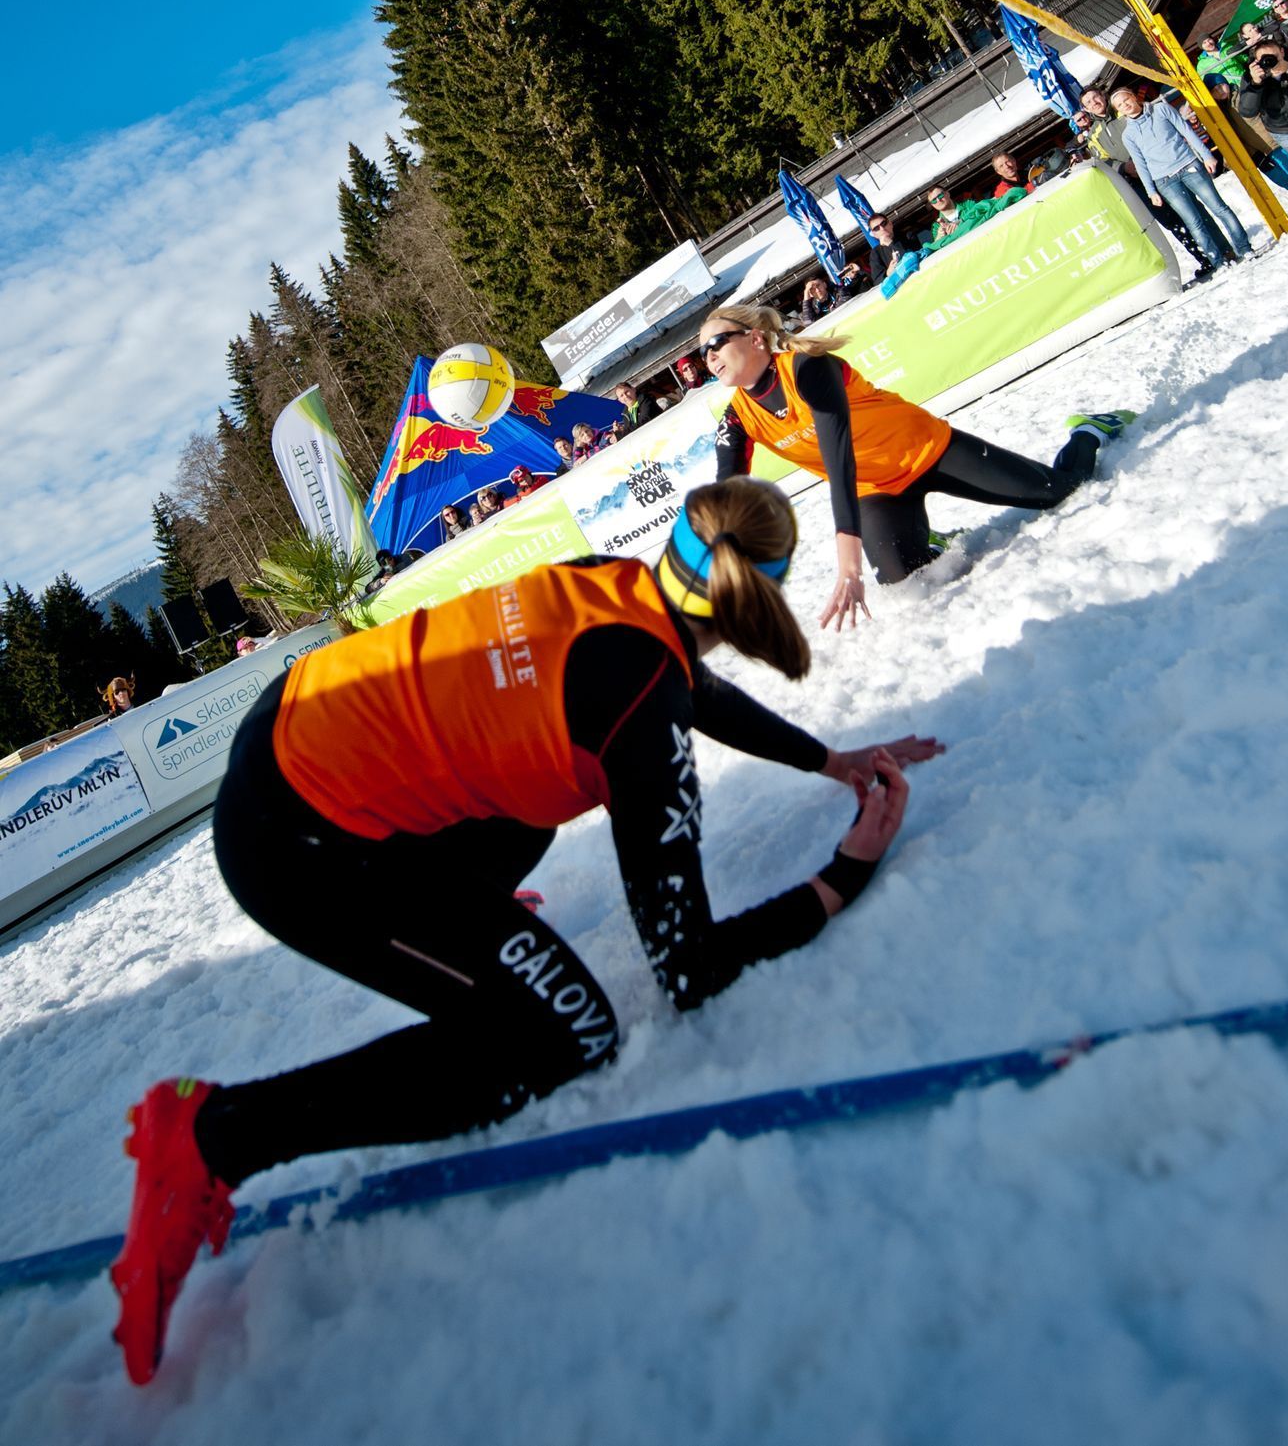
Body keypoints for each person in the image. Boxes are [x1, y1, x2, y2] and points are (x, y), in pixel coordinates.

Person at [107, 477, 938, 1385]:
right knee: (565, 1035)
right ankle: (216, 1133)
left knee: (536, 798)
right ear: (757, 594)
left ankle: (473, 925)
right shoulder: (639, 718)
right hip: (296, 842)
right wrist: (845, 870)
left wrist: (828, 759)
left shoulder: (613, 584)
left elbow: (677, 682)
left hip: (295, 730)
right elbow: (689, 966)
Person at [703, 304, 1133, 617]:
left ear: (756, 338)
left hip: (932, 452)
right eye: (704, 353)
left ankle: (1089, 431)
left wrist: (848, 563)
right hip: (879, 491)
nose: (710, 357)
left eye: (717, 343)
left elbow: (839, 462)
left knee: (1059, 493)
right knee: (901, 580)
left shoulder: (808, 368)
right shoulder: (738, 418)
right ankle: (935, 540)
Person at [1109, 85, 1252, 273]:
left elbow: (1186, 131)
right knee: (1194, 222)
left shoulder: (1161, 109)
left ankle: (1244, 248)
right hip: (1165, 181)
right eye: (1120, 105)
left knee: (1219, 208)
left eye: (1126, 99)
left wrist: (1206, 155)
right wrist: (1151, 191)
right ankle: (1219, 261)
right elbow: (1140, 164)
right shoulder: (1128, 135)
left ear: (1134, 97)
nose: (1125, 105)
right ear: (1118, 111)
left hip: (1188, 165)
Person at [1237, 42, 1288, 171]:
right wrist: (1256, 84)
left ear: (1282, 52)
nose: (1270, 61)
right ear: (1257, 61)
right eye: (1264, 58)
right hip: (1284, 130)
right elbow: (1247, 111)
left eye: (1273, 56)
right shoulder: (1251, 76)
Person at [922, 181, 1024, 250]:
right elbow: (939, 246)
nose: (939, 200)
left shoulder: (969, 204)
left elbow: (985, 214)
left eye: (940, 195)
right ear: (933, 206)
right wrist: (940, 237)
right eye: (934, 200)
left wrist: (961, 222)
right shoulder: (936, 227)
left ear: (947, 193)